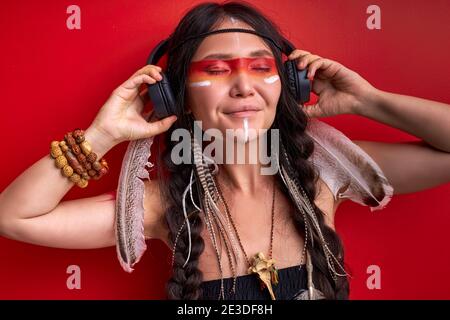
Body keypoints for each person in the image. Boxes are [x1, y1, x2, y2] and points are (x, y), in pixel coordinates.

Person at [0, 1, 449, 300]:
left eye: (260, 67)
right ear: (178, 97)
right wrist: (102, 135)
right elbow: (14, 217)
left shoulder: (326, 172)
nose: (244, 86)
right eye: (216, 70)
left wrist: (366, 100)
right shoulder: (162, 205)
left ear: (290, 84)